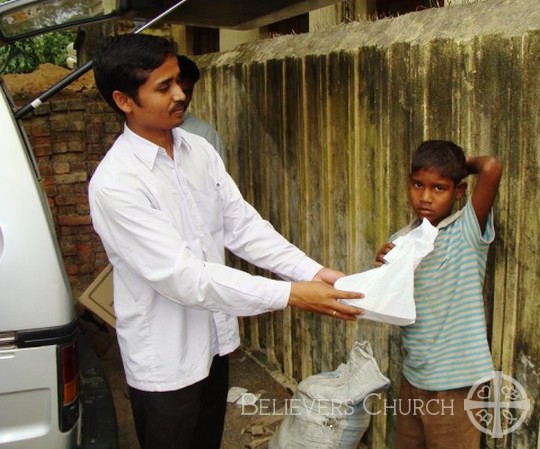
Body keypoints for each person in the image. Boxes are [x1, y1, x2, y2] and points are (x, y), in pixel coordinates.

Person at [89, 33, 364, 449]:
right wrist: (292, 293)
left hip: (214, 340)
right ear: (124, 100)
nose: (181, 94)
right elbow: (185, 278)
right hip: (165, 357)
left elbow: (243, 227)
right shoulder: (116, 184)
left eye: (178, 80)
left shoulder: (198, 150)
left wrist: (314, 271)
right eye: (163, 87)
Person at [375, 140, 503, 449]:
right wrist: (382, 269)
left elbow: (492, 167)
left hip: (455, 386)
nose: (425, 197)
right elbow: (393, 306)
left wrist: (459, 163)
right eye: (418, 184)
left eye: (439, 188)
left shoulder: (465, 232)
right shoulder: (401, 241)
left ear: (459, 191)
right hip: (413, 377)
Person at [177, 55, 227, 164]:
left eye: (187, 92)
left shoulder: (205, 135)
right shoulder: (136, 134)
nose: (181, 98)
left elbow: (219, 179)